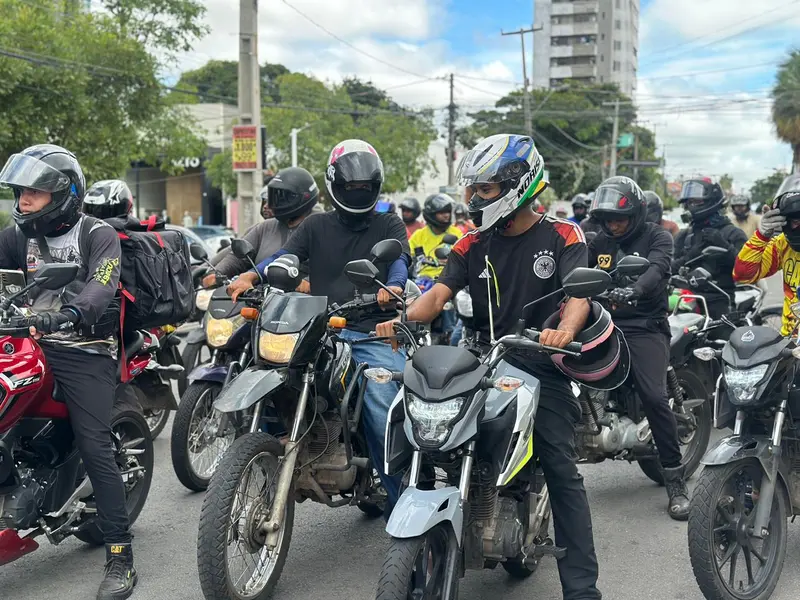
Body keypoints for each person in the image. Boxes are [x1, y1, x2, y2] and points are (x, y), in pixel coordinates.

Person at [378, 134, 601, 600]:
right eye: (473, 189)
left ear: (518, 186)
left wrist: (563, 330)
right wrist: (402, 318)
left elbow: (577, 297)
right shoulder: (471, 243)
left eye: (484, 189)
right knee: (419, 432)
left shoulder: (563, 235)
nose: (473, 198)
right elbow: (437, 296)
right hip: (479, 360)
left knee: (561, 468)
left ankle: (583, 591)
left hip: (541, 361)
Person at [227, 139, 408, 510]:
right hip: (319, 332)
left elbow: (399, 261)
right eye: (350, 186)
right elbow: (285, 257)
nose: (357, 192)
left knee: (383, 409)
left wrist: (394, 287)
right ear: (334, 185)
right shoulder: (315, 226)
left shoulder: (388, 223)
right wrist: (252, 276)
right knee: (270, 375)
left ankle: (402, 504)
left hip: (369, 334)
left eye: (364, 186)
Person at [0, 145, 136, 599]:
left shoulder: (98, 234)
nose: (23, 201)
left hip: (84, 348)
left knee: (95, 446)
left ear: (63, 195)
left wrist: (70, 315)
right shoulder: (15, 237)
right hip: (26, 342)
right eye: (20, 192)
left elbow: (102, 285)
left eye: (34, 193)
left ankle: (120, 556)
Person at [587, 176, 689, 521]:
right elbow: (576, 272)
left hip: (644, 326)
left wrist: (636, 290)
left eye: (620, 219)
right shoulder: (598, 241)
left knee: (655, 397)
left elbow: (658, 268)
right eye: (607, 219)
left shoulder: (658, 237)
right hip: (601, 323)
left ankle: (675, 481)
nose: (613, 225)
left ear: (636, 214)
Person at [205, 167, 319, 289]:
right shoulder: (266, 227)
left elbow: (330, 265)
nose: (270, 205)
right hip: (260, 297)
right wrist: (217, 274)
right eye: (273, 197)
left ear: (302, 197)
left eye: (281, 197)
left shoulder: (319, 227)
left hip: (306, 299)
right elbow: (238, 257)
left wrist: (309, 281)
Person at [733, 174, 800, 335]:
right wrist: (761, 236)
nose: (797, 226)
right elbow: (743, 275)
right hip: (791, 339)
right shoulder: (782, 244)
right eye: (795, 221)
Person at [673, 178, 747, 318]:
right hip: (685, 300)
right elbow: (669, 270)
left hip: (720, 299)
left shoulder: (732, 233)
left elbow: (747, 270)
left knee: (725, 331)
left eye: (696, 201)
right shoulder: (684, 235)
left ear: (712, 201)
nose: (691, 206)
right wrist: (691, 255)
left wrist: (725, 246)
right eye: (688, 203)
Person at [409, 194, 463, 281]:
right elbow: (407, 257)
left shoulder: (456, 233)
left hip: (449, 280)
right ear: (431, 214)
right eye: (441, 212)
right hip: (422, 281)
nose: (446, 215)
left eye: (448, 212)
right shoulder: (418, 235)